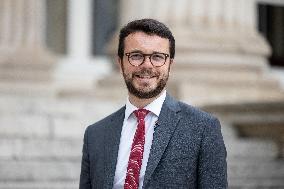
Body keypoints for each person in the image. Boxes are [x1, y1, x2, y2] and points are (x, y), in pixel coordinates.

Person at [79, 18, 227, 189]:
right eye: (136, 56)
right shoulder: (95, 134)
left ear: (170, 64)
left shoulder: (203, 128)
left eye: (157, 57)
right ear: (120, 63)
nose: (147, 65)